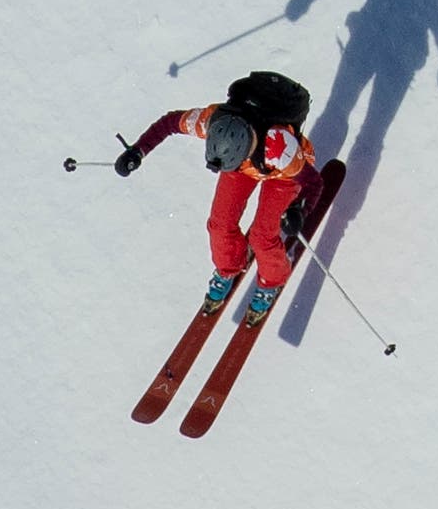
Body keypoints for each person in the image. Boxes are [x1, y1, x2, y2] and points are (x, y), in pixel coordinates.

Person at [114, 69, 331, 323]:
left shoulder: (280, 148)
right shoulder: (211, 121)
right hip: (239, 166)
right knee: (219, 224)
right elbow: (170, 123)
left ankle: (272, 280)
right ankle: (228, 268)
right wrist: (138, 151)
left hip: (282, 174)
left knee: (263, 236)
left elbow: (313, 182)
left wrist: (299, 210)